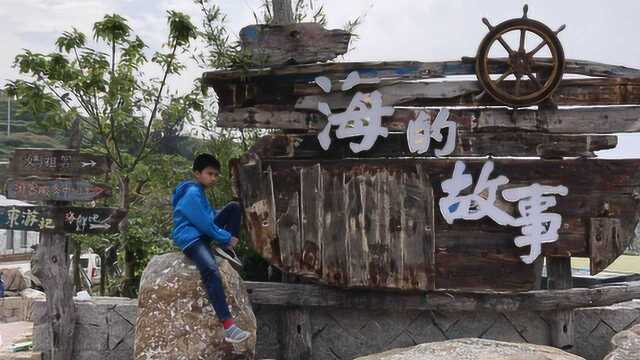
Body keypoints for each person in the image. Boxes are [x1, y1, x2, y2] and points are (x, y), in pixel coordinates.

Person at [172, 153, 250, 344]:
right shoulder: (191, 194)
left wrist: (224, 233)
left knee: (233, 207)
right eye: (210, 174)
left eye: (216, 175)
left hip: (201, 234)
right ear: (197, 173)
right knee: (211, 270)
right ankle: (229, 327)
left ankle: (226, 249)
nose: (213, 178)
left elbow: (208, 217)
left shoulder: (199, 191)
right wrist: (226, 237)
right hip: (191, 240)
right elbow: (205, 224)